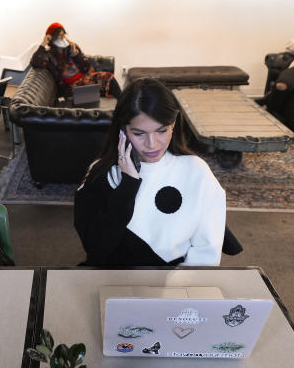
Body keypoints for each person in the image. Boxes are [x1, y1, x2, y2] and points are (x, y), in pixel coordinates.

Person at [74, 78, 226, 266]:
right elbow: (97, 249)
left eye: (161, 131)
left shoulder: (196, 171)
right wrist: (127, 185)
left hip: (176, 285)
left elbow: (206, 252)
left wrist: (179, 289)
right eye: (139, 134)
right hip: (113, 280)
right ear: (123, 131)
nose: (152, 144)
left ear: (173, 124)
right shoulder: (101, 174)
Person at [29, 23, 120, 98]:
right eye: (59, 36)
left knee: (109, 77)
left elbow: (86, 66)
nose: (62, 38)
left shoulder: (72, 47)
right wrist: (43, 43)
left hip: (85, 77)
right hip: (72, 87)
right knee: (101, 85)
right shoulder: (49, 54)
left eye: (63, 35)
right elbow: (34, 62)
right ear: (51, 38)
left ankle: (123, 106)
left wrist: (76, 54)